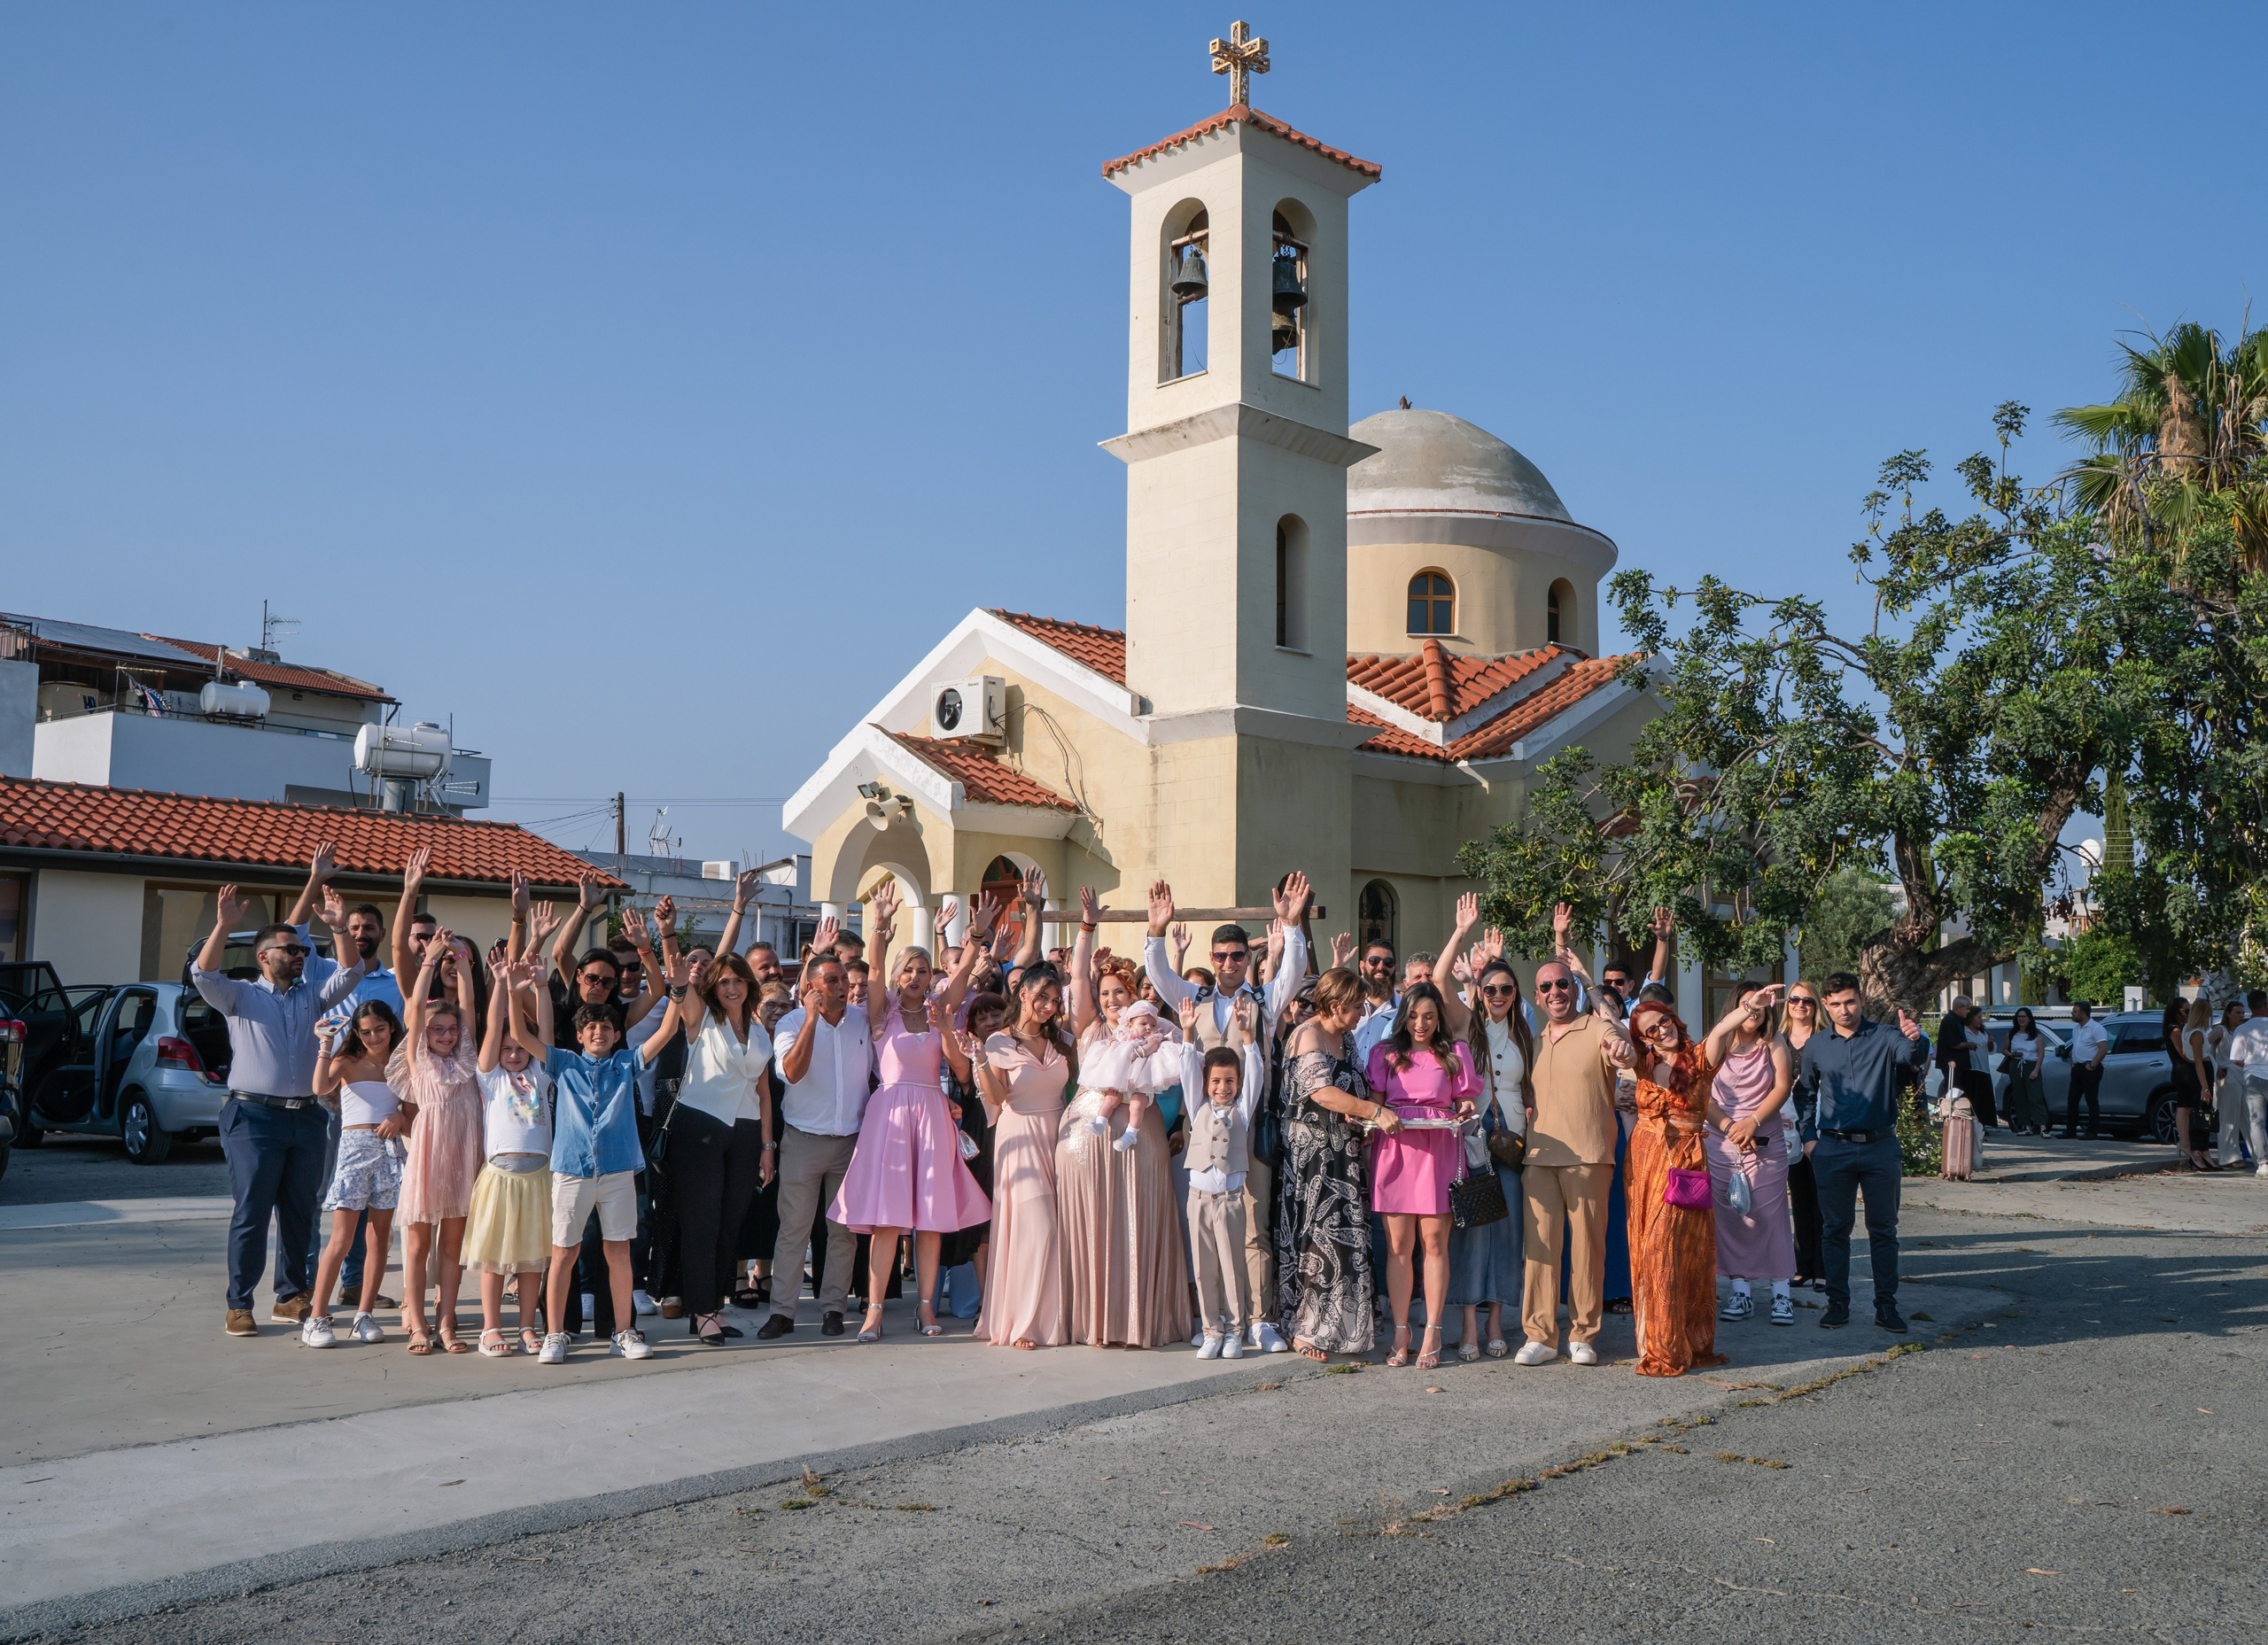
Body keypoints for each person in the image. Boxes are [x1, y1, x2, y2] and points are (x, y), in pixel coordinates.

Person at [1143, 874, 1311, 1354]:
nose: (1229, 963)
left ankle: (1259, 1320)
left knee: (1254, 1227)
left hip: (1251, 1132)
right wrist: (1156, 933)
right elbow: (1159, 978)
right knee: (1206, 1232)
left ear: (1246, 957)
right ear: (1212, 959)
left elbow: (1293, 975)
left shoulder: (1262, 1001)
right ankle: (1214, 1321)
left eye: (1238, 955)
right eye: (1220, 956)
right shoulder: (1193, 1000)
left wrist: (1292, 927)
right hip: (1202, 1136)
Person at [194, 886, 372, 1337]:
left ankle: (291, 1297)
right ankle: (239, 1304)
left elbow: (353, 971)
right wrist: (224, 925)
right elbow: (203, 972)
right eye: (290, 949)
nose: (299, 955)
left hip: (308, 1116)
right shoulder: (239, 996)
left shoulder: (313, 993)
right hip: (253, 1117)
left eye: (301, 949)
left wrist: (337, 927)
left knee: (300, 1211)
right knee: (252, 1210)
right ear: (263, 956)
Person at [828, 881, 995, 1341]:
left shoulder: (942, 1011)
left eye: (923, 971)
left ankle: (926, 1309)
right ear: (901, 976)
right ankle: (875, 1311)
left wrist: (975, 939)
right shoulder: (882, 1014)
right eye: (911, 971)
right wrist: (878, 926)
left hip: (933, 1114)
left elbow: (960, 979)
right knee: (887, 1220)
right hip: (891, 1117)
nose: (917, 977)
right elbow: (875, 967)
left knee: (930, 1218)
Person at [505, 963, 670, 1363]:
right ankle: (555, 1334)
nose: (600, 1032)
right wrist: (513, 991)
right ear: (579, 1036)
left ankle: (623, 1330)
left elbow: (664, 1033)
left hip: (617, 1172)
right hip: (571, 1171)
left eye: (607, 1029)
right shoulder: (563, 1062)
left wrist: (678, 993)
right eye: (591, 1029)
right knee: (563, 1252)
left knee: (619, 1252)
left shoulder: (627, 1063)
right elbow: (522, 1034)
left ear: (617, 1036)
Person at [1062, 892, 1192, 1349]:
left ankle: (1141, 1319)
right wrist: (1085, 928)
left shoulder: (1154, 1032)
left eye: (1121, 992)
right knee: (1095, 1222)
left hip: (1143, 1134)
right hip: (1088, 1138)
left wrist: (1162, 941)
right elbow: (1078, 976)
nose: (1114, 1000)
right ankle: (1092, 1321)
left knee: (1142, 1218)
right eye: (1106, 994)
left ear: (1136, 996)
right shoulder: (1089, 1029)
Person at [284, 842, 403, 1313]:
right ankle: (308, 1291)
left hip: (380, 1104)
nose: (359, 932)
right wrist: (314, 880)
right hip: (333, 1095)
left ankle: (356, 1288)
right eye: (352, 927)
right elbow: (293, 931)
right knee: (325, 1197)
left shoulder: (394, 983)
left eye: (367, 928)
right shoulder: (327, 969)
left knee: (374, 1203)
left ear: (379, 933)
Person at [1516, 957, 1637, 1367]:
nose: (1555, 992)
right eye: (1546, 987)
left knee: (1587, 1248)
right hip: (1538, 1158)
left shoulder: (1597, 1028)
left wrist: (1621, 1048)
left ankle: (1584, 1333)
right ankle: (1541, 1336)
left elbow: (1625, 1047)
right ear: (1537, 997)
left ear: (1574, 988)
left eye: (1562, 984)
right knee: (1540, 1249)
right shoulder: (1532, 1042)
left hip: (1589, 1155)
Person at [1793, 973, 1929, 1331]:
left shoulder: (1886, 1037)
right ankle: (1837, 1303)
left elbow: (1911, 1054)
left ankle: (1886, 1306)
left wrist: (1916, 1039)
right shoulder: (1817, 1045)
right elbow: (1804, 1093)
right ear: (1826, 1004)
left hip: (1880, 1148)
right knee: (1835, 1230)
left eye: (1849, 1001)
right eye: (1835, 1003)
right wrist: (1809, 1138)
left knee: (1883, 1230)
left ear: (1862, 999)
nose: (1843, 1009)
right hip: (1832, 1150)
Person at [756, 921, 872, 1341]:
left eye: (845, 979)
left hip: (850, 1144)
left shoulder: (862, 1022)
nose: (844, 985)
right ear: (811, 987)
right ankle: (783, 1312)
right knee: (794, 1230)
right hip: (803, 1142)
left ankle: (834, 1309)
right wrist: (808, 1019)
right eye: (833, 980)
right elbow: (792, 1072)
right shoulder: (789, 1026)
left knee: (842, 1233)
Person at [1363, 982, 1480, 1370]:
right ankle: (1401, 1332)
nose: (1421, 1023)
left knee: (1434, 1243)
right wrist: (1372, 1116)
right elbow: (1377, 1105)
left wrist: (1463, 1110)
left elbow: (1466, 1100)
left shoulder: (1454, 1053)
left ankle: (1432, 1329)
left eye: (1429, 1016)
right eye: (1413, 1015)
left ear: (1439, 1018)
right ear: (1403, 1016)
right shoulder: (1384, 1054)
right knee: (1398, 1246)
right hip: (1395, 1148)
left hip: (1439, 1150)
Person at [669, 947, 779, 1345]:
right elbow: (680, 980)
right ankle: (701, 1311)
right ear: (714, 987)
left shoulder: (759, 1028)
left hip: (747, 1133)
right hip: (700, 1128)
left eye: (738, 980)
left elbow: (765, 1093)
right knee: (702, 1224)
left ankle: (713, 1307)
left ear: (749, 984)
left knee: (730, 1225)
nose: (731, 987)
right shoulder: (702, 1018)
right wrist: (665, 936)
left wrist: (768, 1147)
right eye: (724, 981)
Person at [1277, 966, 1379, 1361]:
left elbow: (1350, 1086)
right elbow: (1321, 1092)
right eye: (1356, 1007)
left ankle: (1342, 1328)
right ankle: (1305, 1329)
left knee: (1343, 1238)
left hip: (1345, 1154)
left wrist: (1362, 1117)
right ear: (1335, 1006)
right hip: (1313, 1160)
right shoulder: (1307, 1035)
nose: (1360, 1014)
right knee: (1315, 1239)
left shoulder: (1346, 1036)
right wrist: (1373, 1110)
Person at [1624, 997, 1729, 1377]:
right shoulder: (1643, 1064)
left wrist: (1749, 1008)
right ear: (1645, 1040)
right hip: (1642, 1160)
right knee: (1645, 1247)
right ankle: (1653, 1341)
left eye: (1663, 1021)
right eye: (1651, 1029)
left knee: (1672, 1249)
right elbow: (1606, 1014)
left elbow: (1721, 1030)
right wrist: (1582, 977)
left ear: (1674, 1019)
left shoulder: (1698, 1057)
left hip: (1684, 1160)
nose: (1661, 1029)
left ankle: (1673, 1346)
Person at [972, 964, 1074, 1348]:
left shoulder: (1063, 1040)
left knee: (1059, 1230)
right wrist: (980, 1061)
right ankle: (1024, 1323)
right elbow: (997, 1099)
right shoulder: (999, 1042)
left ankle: (1055, 1319)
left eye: (1054, 1000)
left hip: (1060, 1135)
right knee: (1038, 1226)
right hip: (1020, 1136)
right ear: (1024, 995)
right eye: (1042, 997)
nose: (1048, 1006)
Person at [395, 929, 484, 1354]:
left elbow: (467, 1006)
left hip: (463, 1160)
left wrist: (463, 962)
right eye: (439, 1030)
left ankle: (447, 1322)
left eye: (452, 1030)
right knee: (417, 1244)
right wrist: (429, 960)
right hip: (428, 1160)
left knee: (453, 1247)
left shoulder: (468, 1058)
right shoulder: (419, 1061)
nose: (447, 1035)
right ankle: (416, 1323)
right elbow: (414, 1008)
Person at [462, 953, 555, 1356]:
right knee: (496, 1258)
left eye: (521, 1048)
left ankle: (527, 1327)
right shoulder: (491, 1077)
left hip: (540, 1178)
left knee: (533, 1260)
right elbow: (490, 1032)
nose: (515, 1054)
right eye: (507, 1048)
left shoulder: (542, 1073)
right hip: (500, 1177)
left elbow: (545, 1031)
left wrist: (541, 986)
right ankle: (490, 1328)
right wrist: (500, 983)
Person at [304, 1001, 406, 1347]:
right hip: (354, 1149)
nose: (374, 1037)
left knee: (380, 1238)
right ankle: (316, 1317)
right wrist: (324, 1044)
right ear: (357, 1033)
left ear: (392, 1026)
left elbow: (415, 1106)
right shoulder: (346, 1060)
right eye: (365, 1031)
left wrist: (400, 1119)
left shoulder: (403, 1062)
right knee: (342, 1238)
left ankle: (365, 1315)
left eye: (380, 1029)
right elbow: (319, 1088)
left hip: (390, 1153)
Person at [1448, 957, 1530, 1360]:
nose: (1498, 996)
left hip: (1512, 1146)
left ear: (1516, 994)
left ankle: (1495, 1321)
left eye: (1506, 989)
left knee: (1508, 1232)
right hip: (1473, 1141)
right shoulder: (1467, 1026)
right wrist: (1460, 932)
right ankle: (1468, 1325)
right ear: (1479, 992)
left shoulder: (1525, 1032)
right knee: (1473, 1230)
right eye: (1490, 989)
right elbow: (1444, 983)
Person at [1699, 984, 1797, 1328]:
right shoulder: (1716, 1043)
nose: (1755, 1012)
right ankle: (1739, 1291)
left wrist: (1752, 1122)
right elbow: (1702, 1093)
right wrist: (1730, 1127)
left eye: (1761, 1005)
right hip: (1722, 1143)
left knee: (1768, 1216)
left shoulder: (1775, 1043)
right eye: (1747, 1005)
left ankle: (1781, 1293)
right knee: (1730, 1217)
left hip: (1764, 1140)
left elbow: (1782, 1087)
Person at [1181, 1038, 1268, 1358]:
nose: (1222, 1087)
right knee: (1204, 1269)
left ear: (1239, 1083)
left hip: (1230, 1200)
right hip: (1198, 1199)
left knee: (1232, 1266)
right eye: (1216, 1081)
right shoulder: (1197, 1105)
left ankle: (1235, 1331)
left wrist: (1249, 1041)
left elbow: (1256, 1074)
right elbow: (1187, 1070)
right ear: (1206, 1083)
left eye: (1230, 1081)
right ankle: (1211, 1330)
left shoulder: (1242, 1110)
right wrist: (1188, 1036)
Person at [1777, 982, 1827, 1291]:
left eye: (1807, 1000)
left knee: (1821, 1199)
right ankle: (1802, 1265)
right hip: (1785, 1127)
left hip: (1820, 1125)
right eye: (1794, 999)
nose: (1800, 1005)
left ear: (1816, 1005)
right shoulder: (1778, 1040)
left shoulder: (1825, 1040)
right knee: (1799, 1197)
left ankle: (1823, 1268)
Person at [2220, 990, 2268, 1176]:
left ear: (2249, 1007)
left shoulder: (2243, 1029)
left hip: (2253, 1077)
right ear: (2265, 1004)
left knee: (2256, 1121)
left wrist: (2250, 1062)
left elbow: (2236, 1059)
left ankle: (2263, 1163)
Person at [2167, 998, 2216, 1170]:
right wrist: (2205, 1086)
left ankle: (2202, 1150)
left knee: (2199, 1109)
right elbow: (2194, 1059)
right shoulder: (2192, 1032)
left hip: (2197, 1071)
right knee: (2200, 1110)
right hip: (2191, 1072)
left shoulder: (2190, 1030)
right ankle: (2195, 1149)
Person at [2209, 1000, 2250, 1168]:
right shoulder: (2221, 1030)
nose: (2241, 1016)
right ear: (2228, 1014)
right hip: (2227, 1075)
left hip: (2243, 1074)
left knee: (2248, 1117)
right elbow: (2205, 1045)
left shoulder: (2242, 1031)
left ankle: (2259, 1154)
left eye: (2242, 1013)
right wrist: (2215, 1064)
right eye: (2237, 1013)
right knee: (2229, 1118)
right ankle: (2229, 1156)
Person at [2063, 1001, 2109, 1138]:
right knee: (2072, 1099)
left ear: (2083, 1014)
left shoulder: (2096, 1028)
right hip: (2077, 1068)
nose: (2072, 1013)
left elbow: (2103, 1049)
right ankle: (2071, 1129)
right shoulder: (2076, 1028)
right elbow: (2075, 1046)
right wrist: (2073, 1063)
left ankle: (2092, 1130)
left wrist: (2092, 1065)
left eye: (2075, 1011)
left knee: (2091, 1099)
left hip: (2090, 1068)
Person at [2004, 1007, 2052, 1137]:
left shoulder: (2037, 1035)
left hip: (2031, 1064)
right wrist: (2011, 1054)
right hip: (2017, 1064)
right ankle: (2026, 1126)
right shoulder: (2012, 1034)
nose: (2021, 1019)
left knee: (2036, 1096)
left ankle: (2042, 1126)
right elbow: (2005, 1050)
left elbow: (2041, 1054)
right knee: (2019, 1096)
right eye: (2019, 1016)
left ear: (2029, 1019)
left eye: (2024, 1016)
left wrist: (2036, 1070)